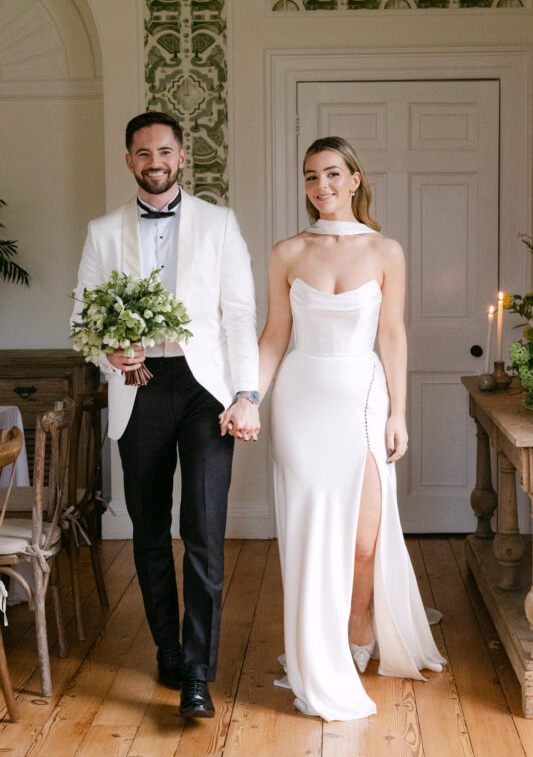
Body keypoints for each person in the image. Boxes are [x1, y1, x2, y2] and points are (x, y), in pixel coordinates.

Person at [224, 136, 445, 721]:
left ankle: (359, 625)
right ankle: (318, 654)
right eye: (309, 177)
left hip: (362, 400)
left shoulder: (385, 251)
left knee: (365, 541)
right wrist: (248, 398)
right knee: (309, 534)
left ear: (354, 180)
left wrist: (399, 411)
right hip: (300, 402)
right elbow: (273, 336)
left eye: (331, 174)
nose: (320, 186)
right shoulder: (287, 253)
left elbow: (392, 334)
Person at [71, 111, 261, 718]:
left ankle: (200, 672)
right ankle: (168, 650)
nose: (154, 162)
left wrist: (246, 393)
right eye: (142, 153)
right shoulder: (103, 232)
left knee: (203, 529)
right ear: (129, 161)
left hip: (206, 392)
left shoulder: (220, 223)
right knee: (149, 531)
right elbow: (82, 320)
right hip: (139, 387)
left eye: (164, 151)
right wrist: (111, 353)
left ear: (182, 158)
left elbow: (239, 315)